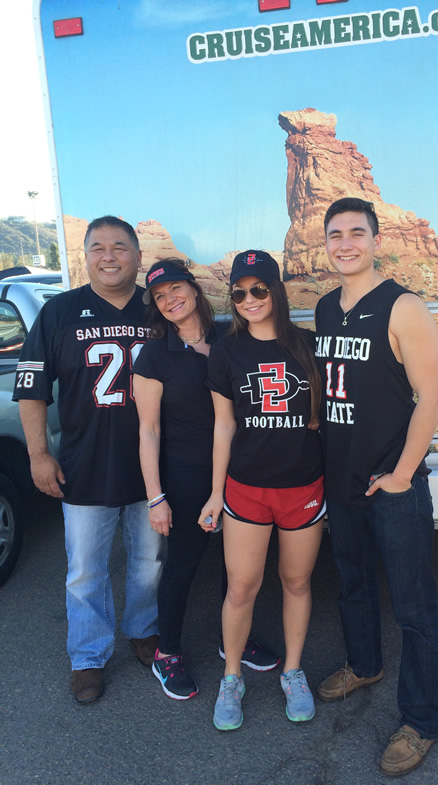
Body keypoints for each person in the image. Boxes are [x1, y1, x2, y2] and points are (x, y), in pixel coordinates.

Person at [314, 198, 438, 777]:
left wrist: (400, 475)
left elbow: (432, 396)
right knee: (353, 585)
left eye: (356, 233)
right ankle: (364, 663)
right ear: (326, 242)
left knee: (415, 606)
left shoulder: (402, 306)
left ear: (375, 239)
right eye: (336, 234)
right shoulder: (324, 307)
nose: (346, 243)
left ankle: (422, 720)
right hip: (342, 480)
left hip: (391, 482)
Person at [13, 216, 164, 704]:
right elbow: (32, 388)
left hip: (151, 467)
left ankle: (143, 630)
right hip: (84, 463)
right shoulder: (59, 313)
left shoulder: (161, 308)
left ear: (139, 256)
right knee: (84, 569)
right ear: (85, 256)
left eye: (120, 246)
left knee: (149, 560)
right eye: (97, 246)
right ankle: (88, 656)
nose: (109, 255)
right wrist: (38, 454)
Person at [133, 258, 279, 701]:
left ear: (194, 291)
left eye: (175, 289)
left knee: (239, 566)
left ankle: (231, 639)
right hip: (186, 475)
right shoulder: (155, 354)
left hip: (244, 469)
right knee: (184, 562)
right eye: (159, 297)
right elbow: (148, 430)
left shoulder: (230, 336)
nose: (169, 300)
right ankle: (168, 653)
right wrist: (156, 497)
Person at [198, 250, 325, 731]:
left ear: (276, 290)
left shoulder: (308, 345)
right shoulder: (227, 352)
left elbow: (319, 420)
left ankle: (293, 671)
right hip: (246, 489)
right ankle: (232, 678)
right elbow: (223, 427)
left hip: (303, 487)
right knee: (241, 587)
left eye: (259, 289)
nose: (249, 299)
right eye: (239, 292)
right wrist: (215, 494)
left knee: (296, 582)